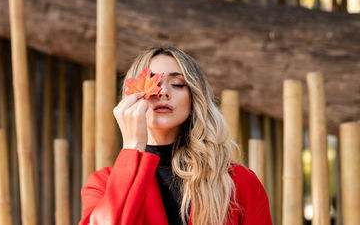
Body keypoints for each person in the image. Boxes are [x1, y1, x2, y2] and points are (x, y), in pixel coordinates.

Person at [79, 47, 272, 225]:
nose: (162, 92)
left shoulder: (237, 182)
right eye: (152, 82)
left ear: (194, 98)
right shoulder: (101, 185)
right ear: (131, 96)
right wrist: (132, 146)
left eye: (178, 84)